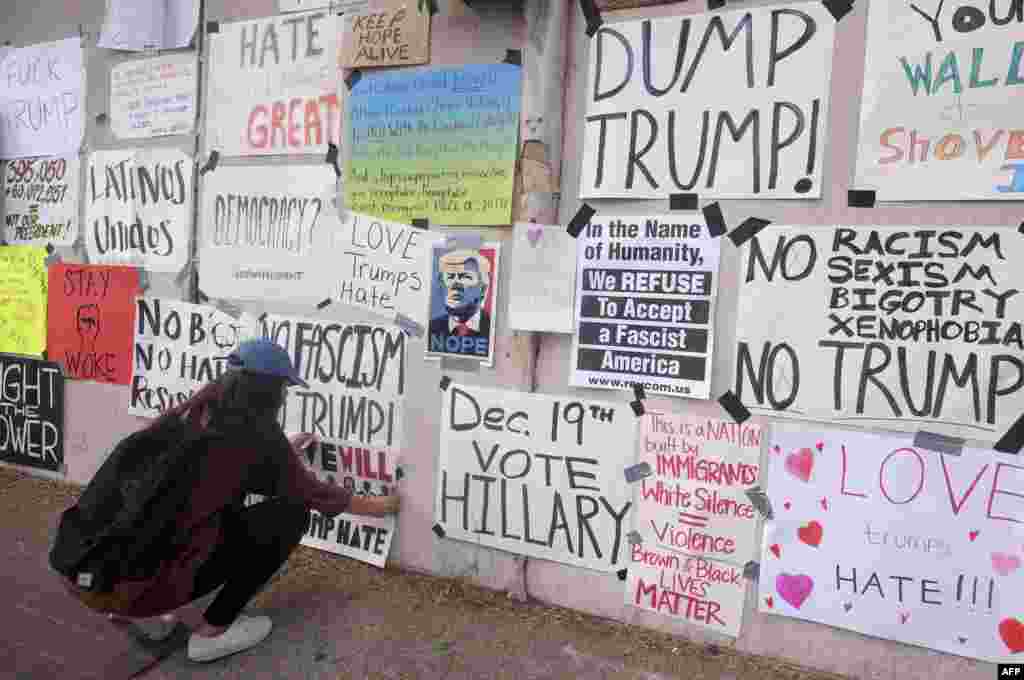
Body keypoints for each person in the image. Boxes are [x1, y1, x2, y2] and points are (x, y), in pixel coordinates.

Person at [59, 338, 400, 663]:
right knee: (290, 514)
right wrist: (383, 506)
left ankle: (150, 606)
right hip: (138, 589)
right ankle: (213, 632)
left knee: (195, 520)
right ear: (271, 391)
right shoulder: (258, 436)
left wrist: (282, 456)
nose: (284, 395)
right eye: (283, 387)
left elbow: (230, 470)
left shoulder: (197, 412)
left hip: (89, 573)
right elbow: (315, 495)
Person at [428, 248, 493, 357]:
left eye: (465, 277)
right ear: (441, 285)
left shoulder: (492, 330)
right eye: (450, 277)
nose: (456, 284)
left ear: (483, 288)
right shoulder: (431, 329)